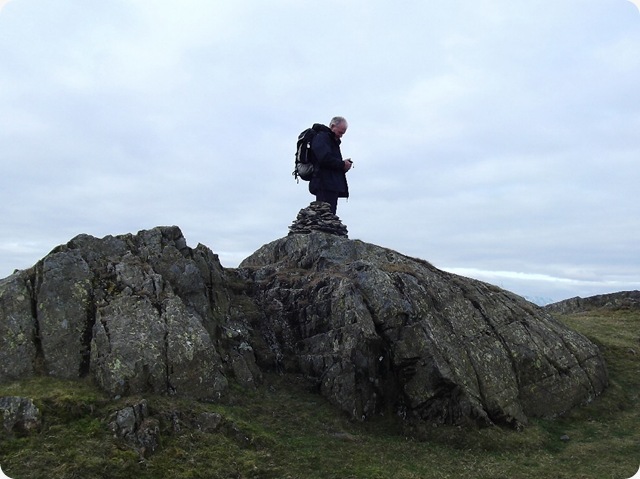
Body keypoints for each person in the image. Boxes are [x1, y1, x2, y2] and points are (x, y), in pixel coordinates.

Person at [308, 116, 353, 215]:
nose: (341, 136)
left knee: (329, 217)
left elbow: (328, 160)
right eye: (340, 132)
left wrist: (343, 166)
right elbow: (324, 158)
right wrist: (342, 164)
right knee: (324, 215)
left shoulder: (330, 140)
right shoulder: (322, 137)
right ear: (333, 126)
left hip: (330, 184)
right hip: (324, 183)